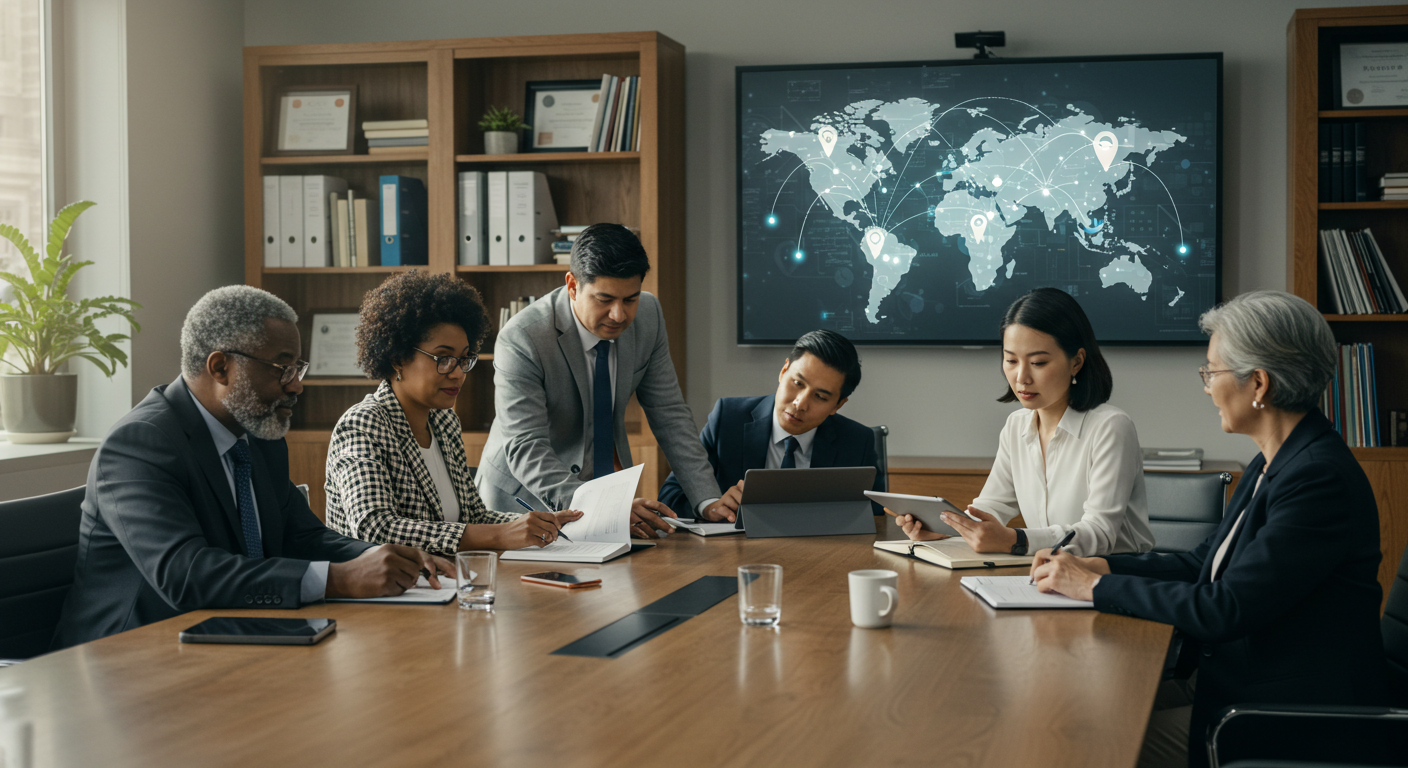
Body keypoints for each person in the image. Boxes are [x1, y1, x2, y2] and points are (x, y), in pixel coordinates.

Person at [1030, 291, 1387, 768]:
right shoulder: (1275, 460)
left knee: (1084, 742)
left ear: (1258, 383)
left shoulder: (1316, 480)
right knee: (1074, 709)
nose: (1205, 386)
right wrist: (1103, 564)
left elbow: (1227, 607)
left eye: (1212, 371)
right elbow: (1203, 564)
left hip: (1284, 719)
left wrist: (1095, 587)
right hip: (1241, 682)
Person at [53, 286, 453, 649]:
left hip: (233, 636)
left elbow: (305, 536)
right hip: (131, 657)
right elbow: (185, 574)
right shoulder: (140, 444)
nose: (296, 385)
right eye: (282, 368)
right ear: (220, 367)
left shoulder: (260, 435)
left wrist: (387, 558)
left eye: (298, 368)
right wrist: (342, 577)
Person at [477, 223, 722, 538]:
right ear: (572, 285)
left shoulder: (649, 315)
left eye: (629, 299)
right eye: (604, 299)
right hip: (522, 502)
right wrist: (604, 506)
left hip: (600, 491)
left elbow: (669, 412)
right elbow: (526, 446)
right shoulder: (523, 337)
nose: (619, 315)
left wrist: (708, 500)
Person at [324, 271, 580, 555]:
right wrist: (499, 535)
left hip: (444, 581)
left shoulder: (444, 422)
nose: (458, 373)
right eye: (443, 359)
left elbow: (473, 517)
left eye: (463, 359)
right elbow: (374, 526)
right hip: (384, 590)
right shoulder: (363, 424)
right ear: (397, 358)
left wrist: (539, 524)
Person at [895, 287, 1154, 556]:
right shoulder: (1016, 425)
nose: (1021, 378)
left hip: (1117, 578)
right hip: (1049, 575)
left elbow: (1099, 533)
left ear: (1076, 362)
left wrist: (1016, 539)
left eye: (1038, 362)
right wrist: (947, 529)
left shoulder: (1111, 427)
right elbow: (990, 508)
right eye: (1010, 360)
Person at [657, 329, 882, 522]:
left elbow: (875, 517)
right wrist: (710, 507)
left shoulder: (856, 441)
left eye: (820, 397)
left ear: (838, 405)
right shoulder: (728, 419)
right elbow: (670, 495)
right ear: (783, 370)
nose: (799, 403)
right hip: (734, 558)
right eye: (797, 383)